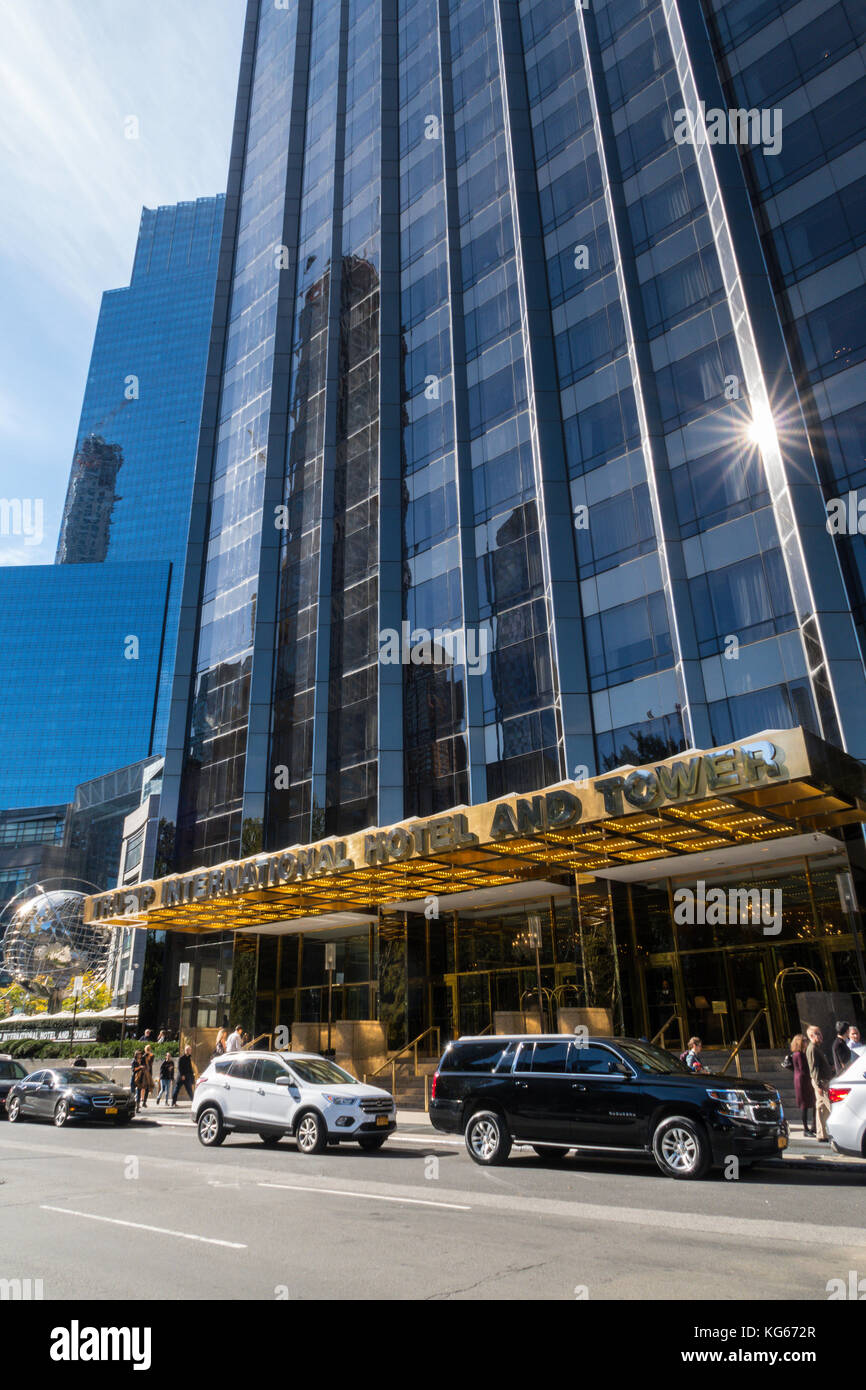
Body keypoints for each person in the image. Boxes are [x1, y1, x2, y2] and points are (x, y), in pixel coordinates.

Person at [805, 1025, 833, 1142]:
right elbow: (814, 1068)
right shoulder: (812, 1049)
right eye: (818, 1034)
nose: (821, 1036)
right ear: (811, 1036)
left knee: (821, 1108)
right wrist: (818, 1085)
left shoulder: (816, 1048)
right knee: (832, 1107)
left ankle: (821, 1134)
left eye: (820, 1033)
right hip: (822, 1082)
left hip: (823, 1080)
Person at [790, 1033, 814, 1135]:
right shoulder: (799, 1054)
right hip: (802, 1080)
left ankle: (811, 1127)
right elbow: (803, 1068)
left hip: (801, 1079)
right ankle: (806, 1129)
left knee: (808, 1104)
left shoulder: (799, 1054)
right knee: (804, 1105)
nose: (806, 1042)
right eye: (804, 1041)